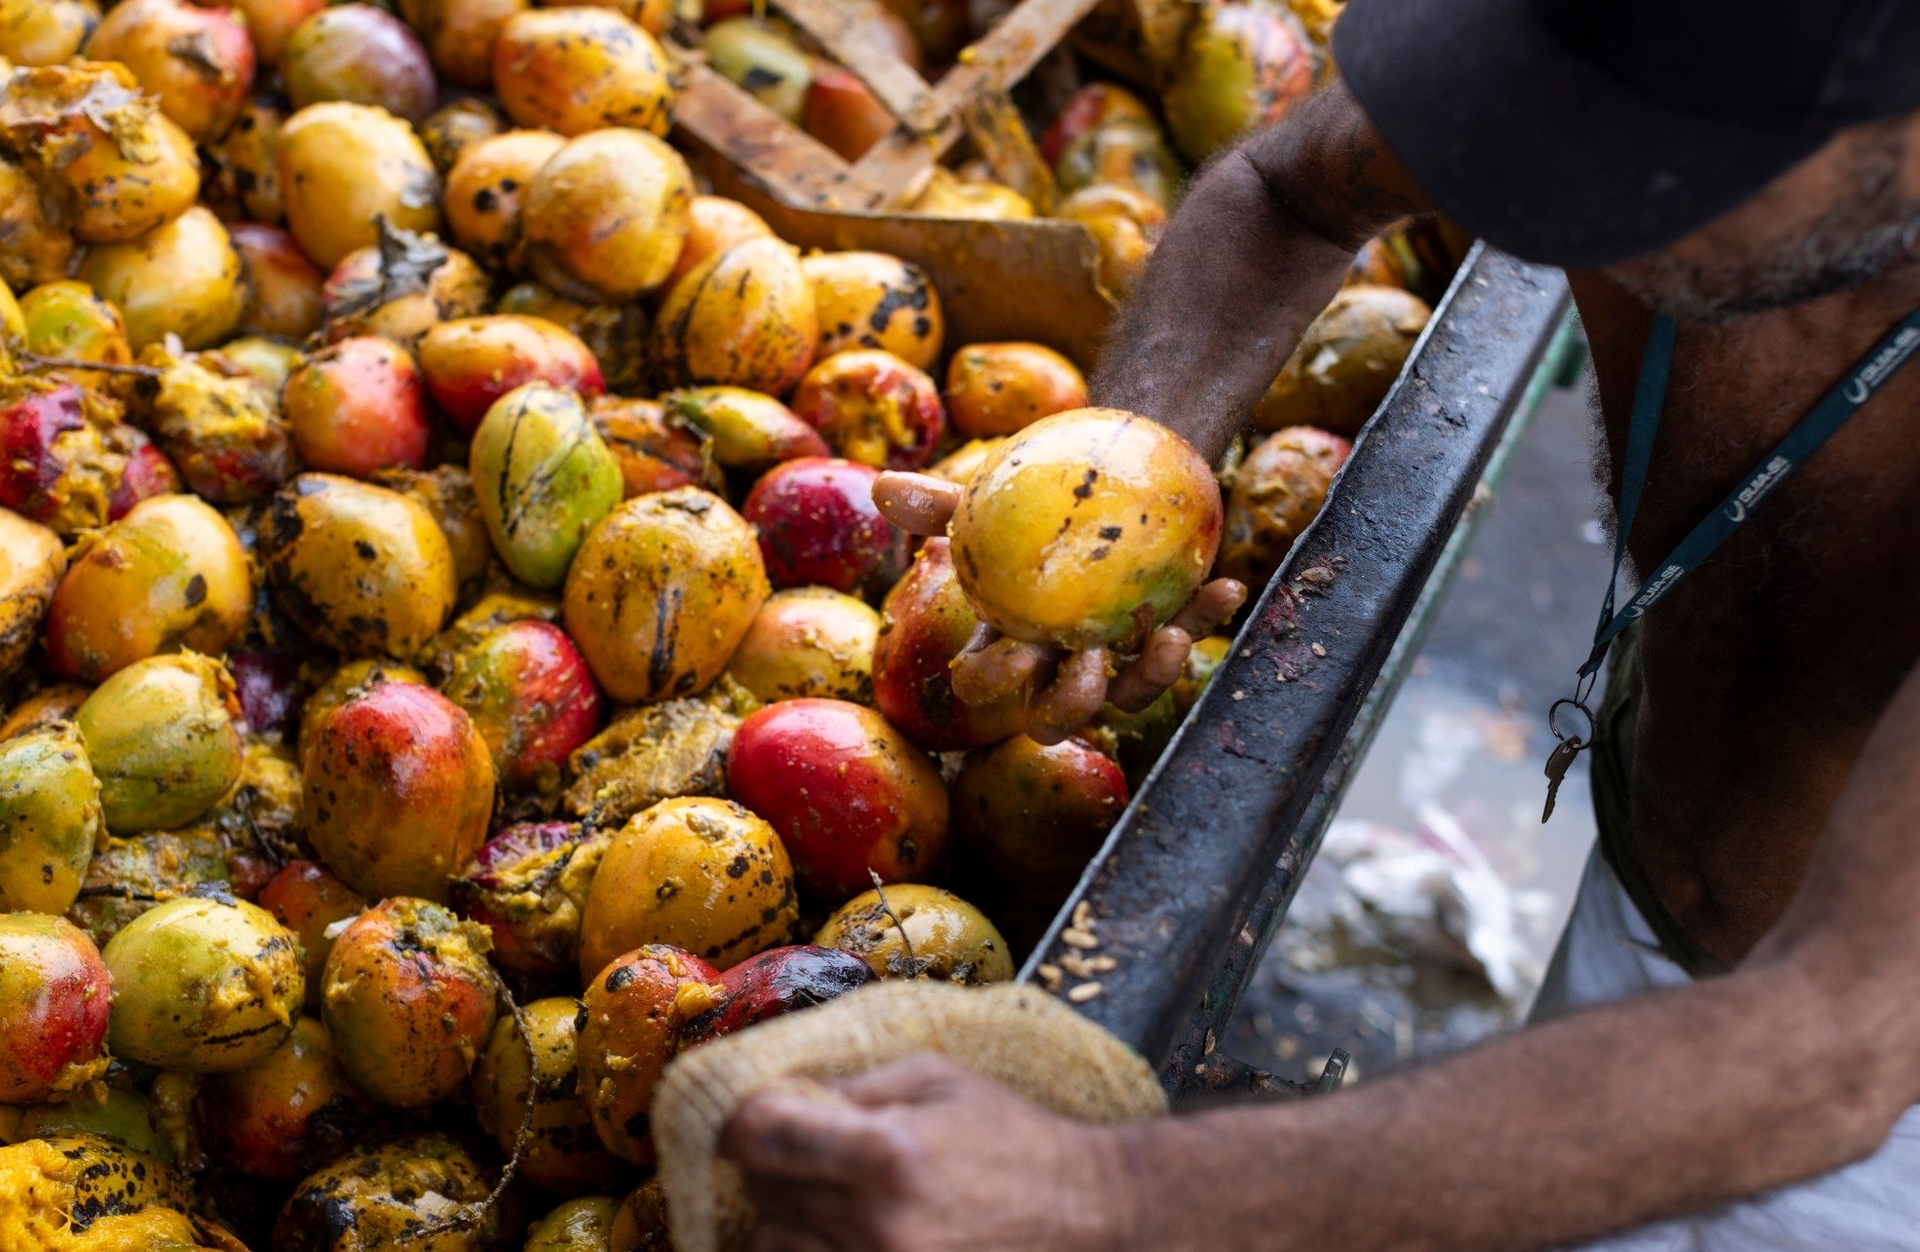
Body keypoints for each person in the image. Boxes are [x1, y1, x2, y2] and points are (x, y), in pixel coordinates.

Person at [720, 0, 1920, 1247]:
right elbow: (1289, 192)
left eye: (1667, 152)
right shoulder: (1605, 104)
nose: (1570, 186)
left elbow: (1832, 1045)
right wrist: (1132, 479)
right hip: (1665, 906)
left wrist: (1104, 1193)